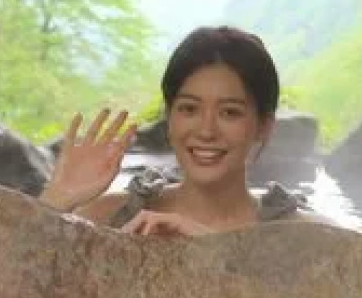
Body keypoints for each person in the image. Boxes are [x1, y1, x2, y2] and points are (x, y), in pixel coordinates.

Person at [40, 25, 314, 236]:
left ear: (263, 127)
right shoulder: (109, 217)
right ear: (169, 119)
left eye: (229, 112)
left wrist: (217, 256)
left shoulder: (299, 239)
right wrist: (54, 201)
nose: (206, 131)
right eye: (189, 109)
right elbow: (7, 294)